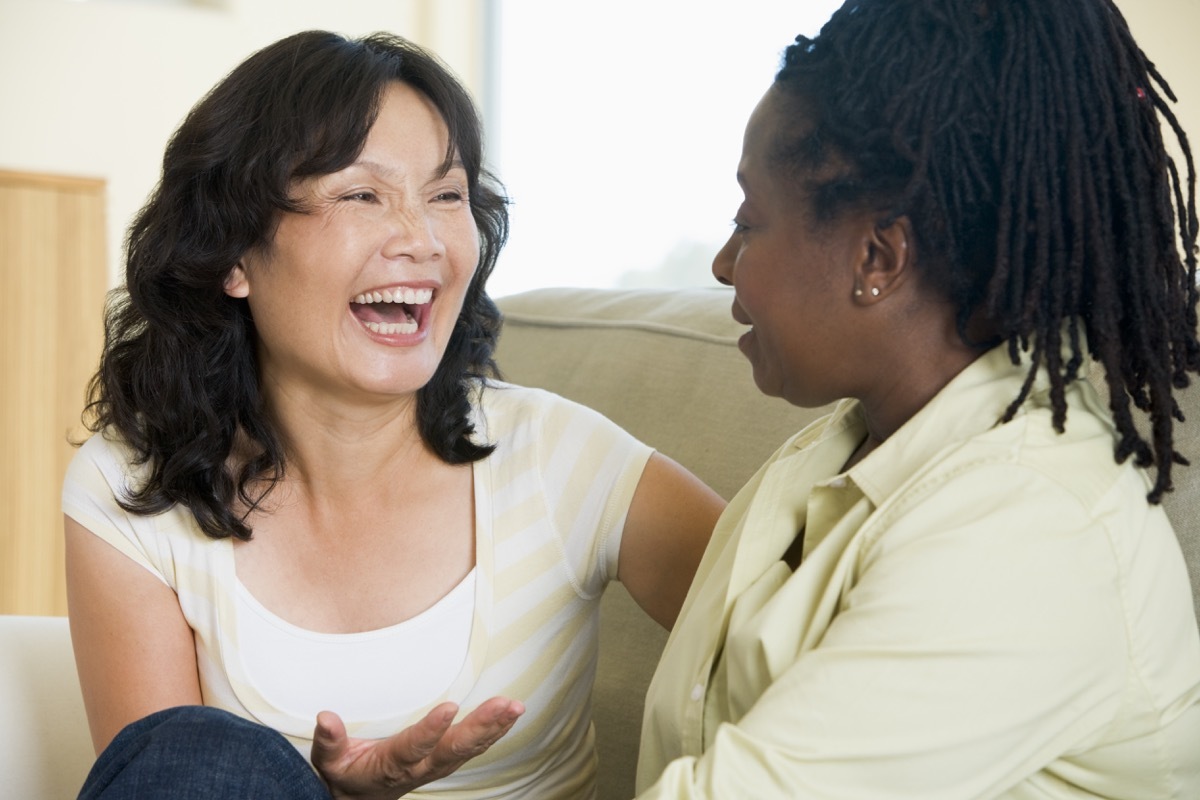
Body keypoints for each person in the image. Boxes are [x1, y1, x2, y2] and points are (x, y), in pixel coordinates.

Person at [62, 30, 724, 800]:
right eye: (361, 195)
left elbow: (801, 636)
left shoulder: (562, 458)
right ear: (232, 254)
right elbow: (161, 782)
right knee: (199, 756)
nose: (422, 239)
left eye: (446, 196)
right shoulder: (130, 490)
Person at [635, 0, 1200, 796]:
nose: (725, 263)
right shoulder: (846, 450)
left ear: (879, 257)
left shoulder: (1032, 526)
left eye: (748, 221)